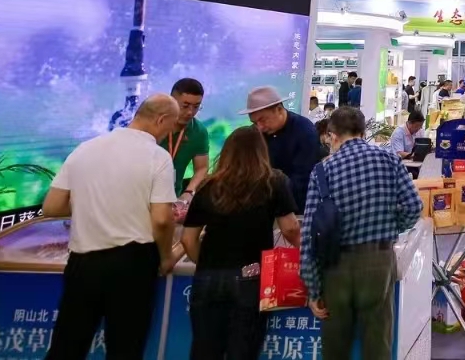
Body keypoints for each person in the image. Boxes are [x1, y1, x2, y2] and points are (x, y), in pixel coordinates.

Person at [42, 94, 180, 360]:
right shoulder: (157, 157)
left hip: (82, 264)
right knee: (124, 350)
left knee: (66, 348)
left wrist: (94, 203)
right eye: (171, 126)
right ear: (161, 120)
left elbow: (51, 206)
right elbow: (162, 220)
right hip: (132, 265)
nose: (170, 133)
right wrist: (165, 257)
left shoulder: (85, 149)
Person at [301, 107, 423, 360]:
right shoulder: (389, 160)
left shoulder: (322, 171)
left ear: (332, 135)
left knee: (335, 348)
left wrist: (313, 289)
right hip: (378, 260)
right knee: (377, 344)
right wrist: (392, 226)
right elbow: (414, 206)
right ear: (363, 132)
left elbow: (310, 235)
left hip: (336, 266)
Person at [181, 126, 300, 360]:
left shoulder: (208, 185)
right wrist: (304, 252)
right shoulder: (274, 181)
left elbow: (187, 238)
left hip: (208, 278)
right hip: (252, 278)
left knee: (204, 350)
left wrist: (204, 264)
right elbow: (290, 228)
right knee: (243, 351)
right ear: (261, 151)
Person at [243, 87, 322, 208]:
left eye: (263, 120)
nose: (259, 127)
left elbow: (302, 179)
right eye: (254, 123)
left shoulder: (304, 131)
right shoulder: (256, 134)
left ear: (279, 110)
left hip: (296, 205)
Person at [169, 78, 210, 203]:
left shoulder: (199, 132)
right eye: (185, 106)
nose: (190, 112)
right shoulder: (154, 125)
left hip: (173, 198)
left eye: (196, 107)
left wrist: (189, 192)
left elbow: (202, 168)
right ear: (171, 101)